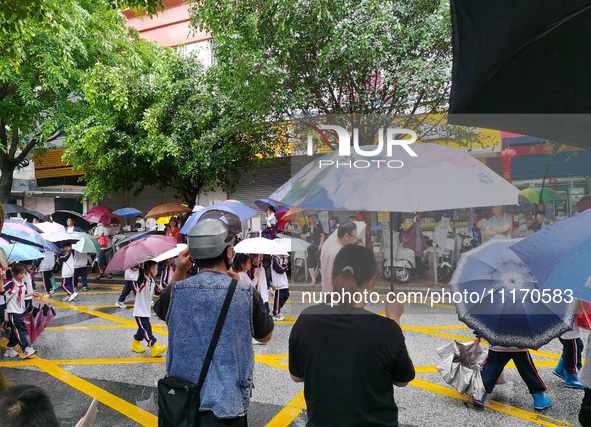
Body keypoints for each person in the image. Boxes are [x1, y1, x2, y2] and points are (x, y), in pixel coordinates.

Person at [154, 218, 274, 425]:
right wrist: (243, 290)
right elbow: (265, 336)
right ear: (228, 253)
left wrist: (180, 270)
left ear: (192, 255)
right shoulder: (244, 292)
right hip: (227, 404)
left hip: (180, 403)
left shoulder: (175, 292)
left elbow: (161, 309)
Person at [289, 245, 414, 426]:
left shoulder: (307, 319)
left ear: (332, 280)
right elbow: (402, 380)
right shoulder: (386, 329)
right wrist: (394, 319)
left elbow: (297, 376)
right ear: (371, 282)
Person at [475, 335, 551, 410]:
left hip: (498, 345)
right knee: (528, 371)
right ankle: (539, 398)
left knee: (490, 370)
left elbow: (484, 323)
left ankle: (480, 396)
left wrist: (478, 335)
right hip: (519, 345)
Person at [3, 263, 42, 358]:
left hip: (20, 309)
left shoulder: (22, 284)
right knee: (19, 329)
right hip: (12, 310)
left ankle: (10, 348)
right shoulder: (10, 283)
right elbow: (2, 291)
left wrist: (31, 294)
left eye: (24, 273)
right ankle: (25, 348)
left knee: (15, 330)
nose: (23, 275)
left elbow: (20, 296)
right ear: (13, 274)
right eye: (21, 274)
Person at [131, 260, 167, 357]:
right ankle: (154, 346)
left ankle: (135, 344)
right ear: (150, 269)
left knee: (142, 330)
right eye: (155, 269)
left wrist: (159, 291)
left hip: (145, 311)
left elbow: (154, 293)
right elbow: (141, 273)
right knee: (147, 329)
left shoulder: (151, 281)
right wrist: (142, 264)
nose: (157, 271)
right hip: (140, 312)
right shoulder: (142, 280)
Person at [320, 221, 357, 294]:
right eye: (355, 237)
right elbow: (332, 280)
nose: (356, 240)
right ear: (346, 236)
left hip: (328, 294)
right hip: (335, 297)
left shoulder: (329, 246)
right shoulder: (337, 253)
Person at [553, 321, 585, 389]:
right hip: (569, 331)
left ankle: (560, 369)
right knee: (573, 353)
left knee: (577, 347)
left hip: (564, 327)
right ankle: (571, 377)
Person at [301, 213, 325, 286]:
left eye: (314, 216)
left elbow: (322, 235)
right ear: (308, 217)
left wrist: (321, 244)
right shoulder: (305, 226)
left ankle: (323, 280)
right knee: (310, 263)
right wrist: (306, 235)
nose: (313, 218)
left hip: (317, 246)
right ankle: (313, 279)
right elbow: (302, 235)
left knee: (319, 263)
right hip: (309, 246)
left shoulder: (319, 225)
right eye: (311, 217)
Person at [271, 255, 289, 321]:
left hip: (283, 281)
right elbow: (280, 270)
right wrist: (285, 264)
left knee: (286, 295)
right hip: (279, 282)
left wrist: (285, 262)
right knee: (279, 298)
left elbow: (285, 269)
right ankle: (276, 314)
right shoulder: (275, 259)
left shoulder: (279, 258)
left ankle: (276, 308)